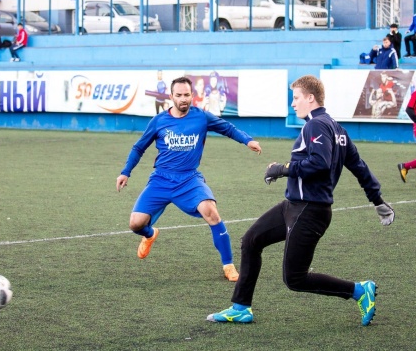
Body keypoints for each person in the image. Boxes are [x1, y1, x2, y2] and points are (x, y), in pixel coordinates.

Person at [207, 75, 395, 326]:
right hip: (293, 206)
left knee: (295, 279)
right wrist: (377, 200)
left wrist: (281, 169)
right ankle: (241, 307)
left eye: (296, 98)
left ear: (310, 98)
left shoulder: (315, 125)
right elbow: (360, 168)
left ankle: (360, 290)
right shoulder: (338, 130)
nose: (293, 103)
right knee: (251, 241)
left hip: (310, 211)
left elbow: (319, 163)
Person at [116, 76, 263, 282]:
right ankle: (150, 234)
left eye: (186, 95)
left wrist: (247, 141)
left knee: (211, 212)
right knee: (135, 224)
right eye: (179, 95)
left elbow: (228, 128)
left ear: (192, 95)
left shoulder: (201, 117)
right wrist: (126, 172)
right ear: (171, 96)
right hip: (161, 179)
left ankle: (228, 265)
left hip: (188, 179)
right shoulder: (159, 121)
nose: (183, 99)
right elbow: (139, 147)